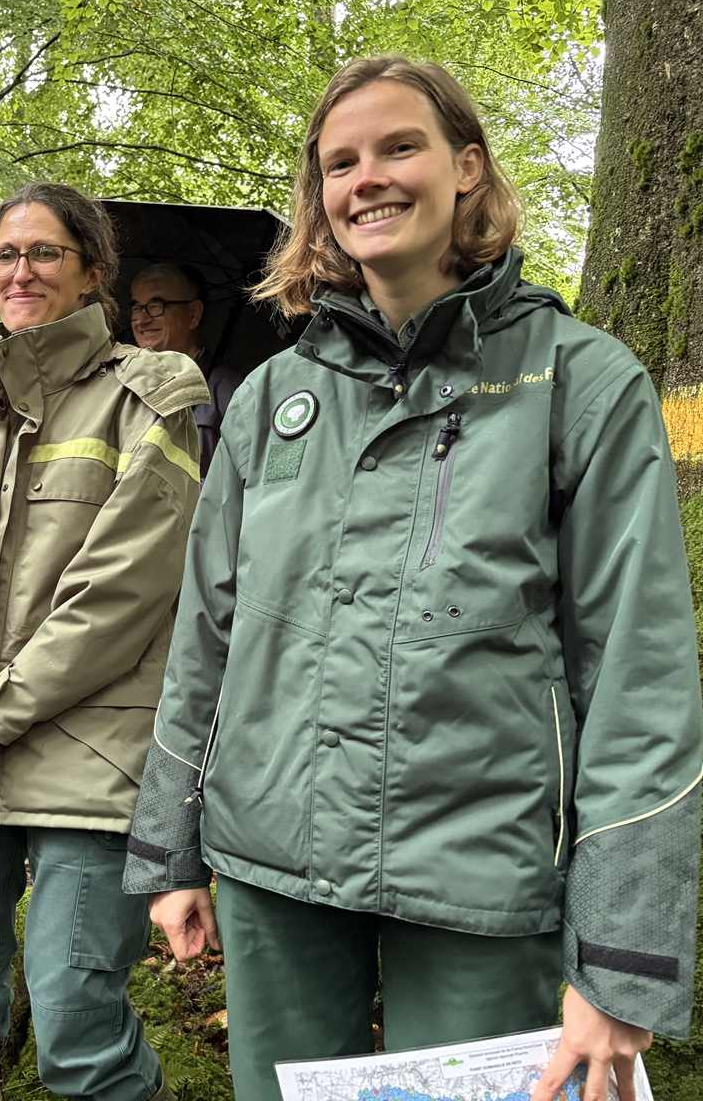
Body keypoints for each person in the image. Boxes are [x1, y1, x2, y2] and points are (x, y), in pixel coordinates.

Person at [124, 57, 703, 1101]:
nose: (365, 179)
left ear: (465, 169)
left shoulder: (580, 381)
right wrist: (169, 854)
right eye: (338, 162)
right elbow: (204, 634)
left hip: (480, 876)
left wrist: (622, 963)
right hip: (271, 868)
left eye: (398, 147)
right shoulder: (269, 400)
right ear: (318, 199)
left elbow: (639, 678)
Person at [0, 182, 207, 1101]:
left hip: (91, 760)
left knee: (74, 1020)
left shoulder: (151, 395)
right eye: (5, 255)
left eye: (44, 253)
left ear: (94, 272)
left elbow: (124, 592)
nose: (19, 271)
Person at [127, 262, 241, 476]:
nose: (141, 320)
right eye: (136, 307)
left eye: (156, 305)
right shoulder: (124, 387)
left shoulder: (228, 392)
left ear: (193, 314)